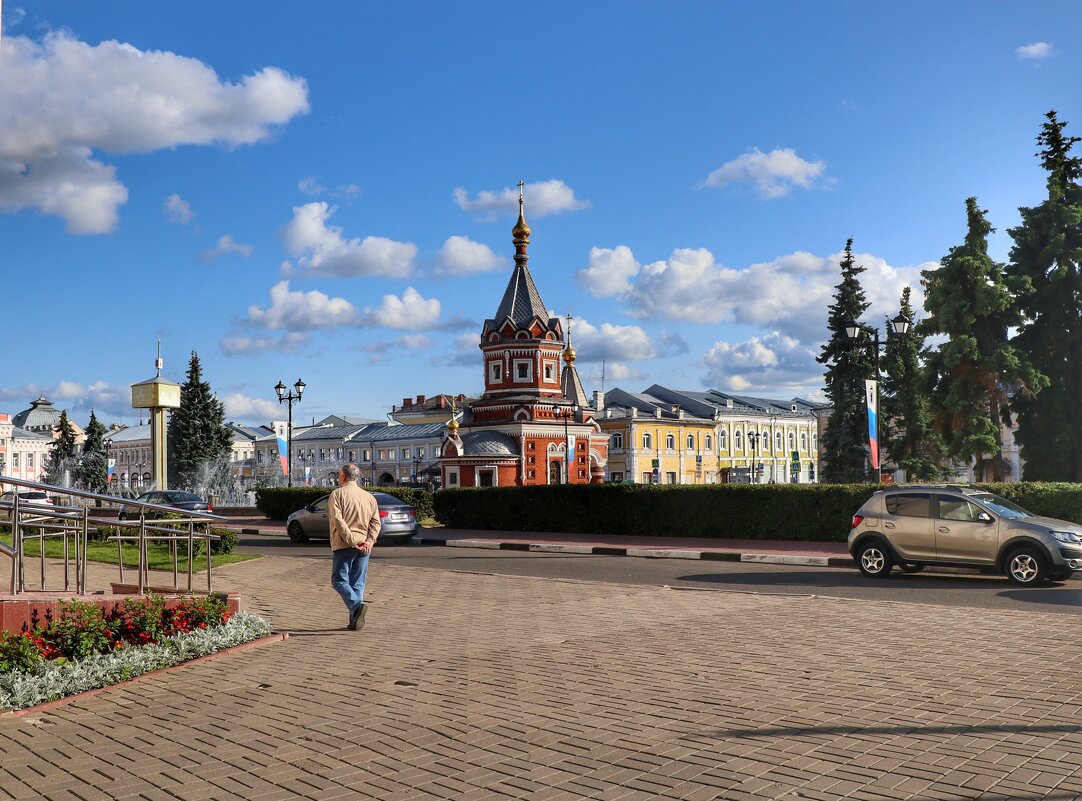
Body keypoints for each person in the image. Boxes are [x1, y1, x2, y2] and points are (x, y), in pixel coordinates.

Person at [328, 463, 381, 631]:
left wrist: (352, 540)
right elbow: (376, 523)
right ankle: (354, 622)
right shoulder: (369, 497)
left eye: (339, 476)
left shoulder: (336, 494)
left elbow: (338, 521)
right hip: (365, 546)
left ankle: (357, 607)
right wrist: (369, 541)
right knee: (357, 583)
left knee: (339, 581)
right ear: (356, 477)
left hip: (345, 544)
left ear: (343, 476)